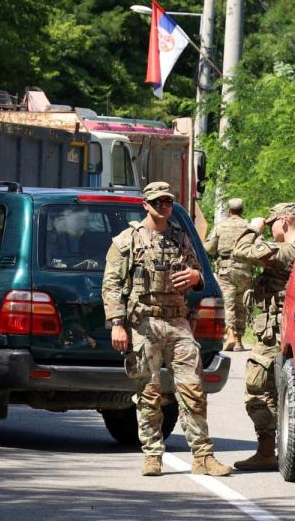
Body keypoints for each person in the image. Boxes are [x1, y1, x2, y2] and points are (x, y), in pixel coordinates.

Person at [102, 182, 232, 478]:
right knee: (148, 393)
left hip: (178, 322)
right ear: (145, 205)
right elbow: (111, 287)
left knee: (193, 389)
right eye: (158, 202)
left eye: (168, 202)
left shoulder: (181, 238)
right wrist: (117, 324)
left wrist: (196, 276)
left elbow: (200, 275)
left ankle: (203, 456)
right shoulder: (127, 241)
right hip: (144, 324)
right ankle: (152, 454)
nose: (164, 206)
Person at [230, 202, 295, 471]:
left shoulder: (289, 250)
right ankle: (275, 449)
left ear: (284, 221)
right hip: (286, 332)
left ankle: (266, 450)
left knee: (258, 389)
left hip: (277, 336)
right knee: (282, 391)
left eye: (273, 223)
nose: (270, 228)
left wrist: (253, 227)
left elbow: (240, 251)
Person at [203, 198, 254, 351]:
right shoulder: (249, 226)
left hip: (226, 269)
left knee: (228, 304)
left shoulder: (221, 226)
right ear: (242, 211)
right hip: (245, 269)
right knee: (241, 305)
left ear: (229, 211)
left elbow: (210, 249)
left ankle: (230, 334)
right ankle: (238, 340)